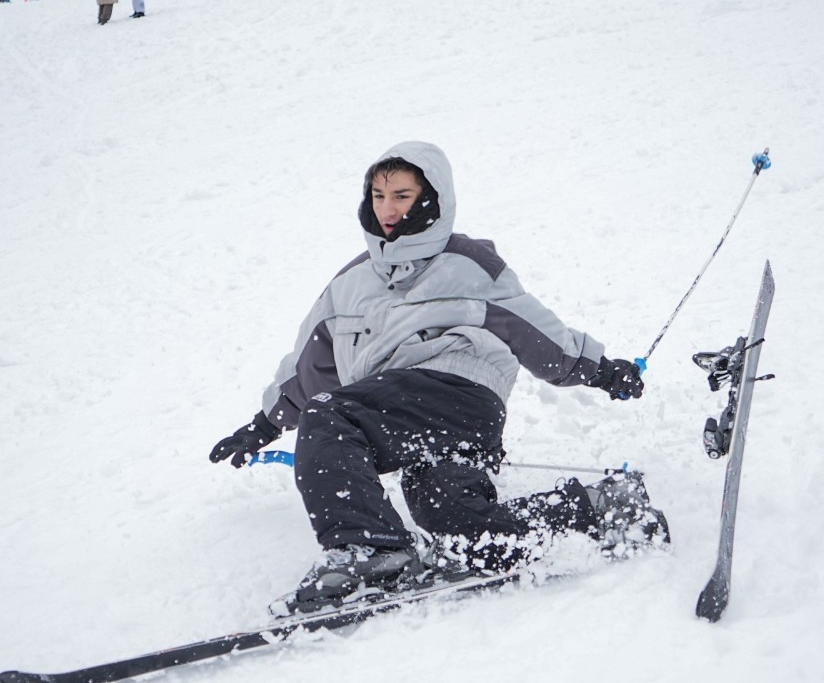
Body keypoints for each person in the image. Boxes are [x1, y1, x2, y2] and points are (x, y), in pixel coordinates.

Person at [209, 142, 669, 612]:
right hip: (402, 411)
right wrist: (263, 425)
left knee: (330, 415)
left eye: (402, 196)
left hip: (459, 390)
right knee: (457, 525)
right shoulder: (348, 285)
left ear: (431, 198)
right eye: (378, 195)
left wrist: (603, 371)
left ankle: (374, 550)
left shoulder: (466, 264)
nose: (387, 209)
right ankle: (604, 508)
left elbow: (536, 332)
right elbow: (310, 368)